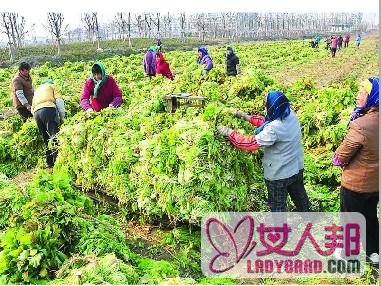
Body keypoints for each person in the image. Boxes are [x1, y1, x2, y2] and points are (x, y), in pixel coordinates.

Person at [217, 91, 310, 212]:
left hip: (280, 174)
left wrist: (229, 133)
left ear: (272, 107)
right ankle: (309, 218)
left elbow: (250, 143)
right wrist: (246, 117)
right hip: (296, 167)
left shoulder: (273, 129)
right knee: (299, 196)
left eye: (267, 105)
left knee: (278, 205)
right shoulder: (290, 114)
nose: (265, 107)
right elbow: (269, 121)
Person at [332, 77, 379, 265]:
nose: (358, 96)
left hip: (356, 184)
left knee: (350, 219)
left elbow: (341, 156)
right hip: (376, 184)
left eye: (362, 93)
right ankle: (374, 253)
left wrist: (337, 158)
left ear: (373, 97)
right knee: (370, 216)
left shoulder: (361, 124)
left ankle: (349, 256)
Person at [31, 80, 64, 168]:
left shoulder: (37, 91)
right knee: (54, 136)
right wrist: (62, 118)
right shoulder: (52, 86)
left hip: (36, 113)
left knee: (45, 138)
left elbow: (32, 108)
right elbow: (59, 102)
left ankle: (49, 163)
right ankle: (57, 162)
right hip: (48, 109)